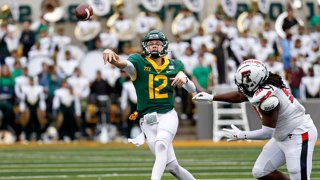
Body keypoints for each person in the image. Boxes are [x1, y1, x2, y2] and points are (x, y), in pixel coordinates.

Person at [193, 59, 318, 180]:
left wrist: (241, 135)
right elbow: (240, 95)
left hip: (299, 134)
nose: (241, 87)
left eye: (243, 84)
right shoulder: (262, 84)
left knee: (299, 176)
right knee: (261, 171)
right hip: (283, 134)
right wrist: (212, 97)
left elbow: (268, 132)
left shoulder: (269, 99)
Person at [103, 30, 196, 180]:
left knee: (161, 145)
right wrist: (111, 55)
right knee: (172, 167)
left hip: (167, 115)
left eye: (157, 44)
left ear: (164, 46)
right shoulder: (139, 62)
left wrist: (183, 77)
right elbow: (123, 64)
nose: (154, 46)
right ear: (145, 46)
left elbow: (192, 90)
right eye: (151, 44)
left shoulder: (175, 65)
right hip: (147, 122)